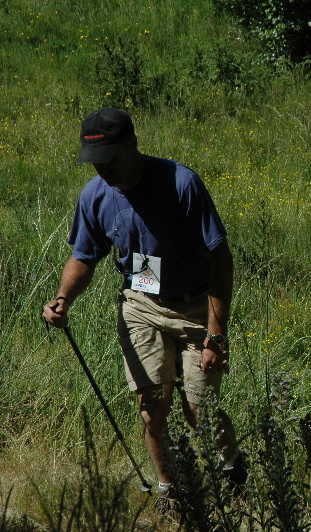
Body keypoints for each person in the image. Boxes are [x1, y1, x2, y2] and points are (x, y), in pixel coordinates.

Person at [42, 107, 245, 514]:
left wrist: (215, 334)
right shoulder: (94, 197)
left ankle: (233, 470)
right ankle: (169, 490)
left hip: (194, 306)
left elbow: (221, 261)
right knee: (153, 406)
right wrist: (63, 298)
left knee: (199, 411)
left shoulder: (180, 184)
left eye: (111, 159)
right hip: (141, 304)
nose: (104, 170)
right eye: (95, 162)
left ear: (133, 145)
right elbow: (84, 257)